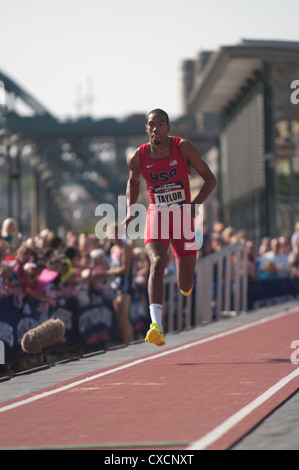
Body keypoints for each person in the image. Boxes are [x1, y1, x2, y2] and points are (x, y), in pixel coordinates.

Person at [122, 109, 217, 347]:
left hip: (183, 216)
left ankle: (184, 281)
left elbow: (210, 179)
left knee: (185, 284)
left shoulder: (184, 148)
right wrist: (130, 209)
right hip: (157, 213)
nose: (156, 129)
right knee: (156, 262)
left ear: (168, 128)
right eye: (151, 125)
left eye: (161, 124)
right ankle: (156, 326)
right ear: (146, 129)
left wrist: (195, 205)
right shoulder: (137, 157)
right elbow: (133, 182)